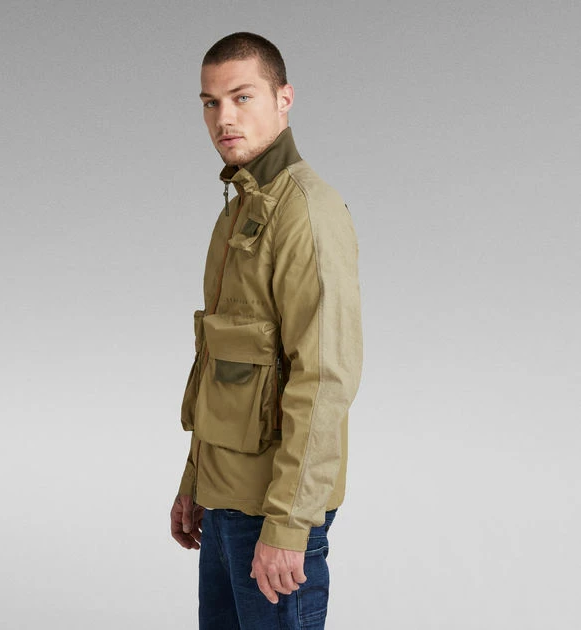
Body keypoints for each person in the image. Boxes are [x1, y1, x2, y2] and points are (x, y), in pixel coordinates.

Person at [170, 32, 363, 630]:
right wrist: (195, 479)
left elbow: (324, 378)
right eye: (210, 102)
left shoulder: (305, 210)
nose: (223, 118)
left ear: (284, 99)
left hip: (272, 512)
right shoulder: (239, 209)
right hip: (225, 501)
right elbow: (221, 363)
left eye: (242, 97)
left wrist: (288, 524)